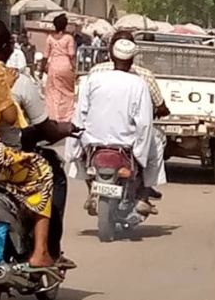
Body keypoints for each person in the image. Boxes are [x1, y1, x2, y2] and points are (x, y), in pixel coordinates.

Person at [0, 19, 75, 267]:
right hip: (0, 156)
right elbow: (17, 119)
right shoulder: (10, 78)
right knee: (44, 173)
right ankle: (41, 251)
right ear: (6, 47)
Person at [66, 39, 157, 217]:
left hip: (92, 141)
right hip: (126, 144)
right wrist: (140, 153)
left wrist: (73, 148)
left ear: (111, 56)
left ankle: (92, 191)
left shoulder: (93, 79)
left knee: (79, 157)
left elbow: (79, 114)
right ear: (131, 61)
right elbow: (144, 123)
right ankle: (143, 197)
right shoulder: (138, 83)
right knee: (155, 152)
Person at [91, 31, 169, 203]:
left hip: (97, 134)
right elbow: (156, 109)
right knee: (156, 143)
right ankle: (144, 192)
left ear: (110, 50)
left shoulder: (96, 73)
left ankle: (92, 189)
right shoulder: (143, 77)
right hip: (129, 136)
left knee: (82, 155)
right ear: (133, 55)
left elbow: (83, 106)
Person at [44, 13, 76, 122]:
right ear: (65, 25)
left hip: (53, 66)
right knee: (67, 92)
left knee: (52, 92)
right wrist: (74, 68)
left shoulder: (49, 38)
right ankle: (66, 116)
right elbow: (71, 54)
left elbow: (45, 55)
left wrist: (41, 69)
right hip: (66, 66)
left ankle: (53, 115)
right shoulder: (68, 38)